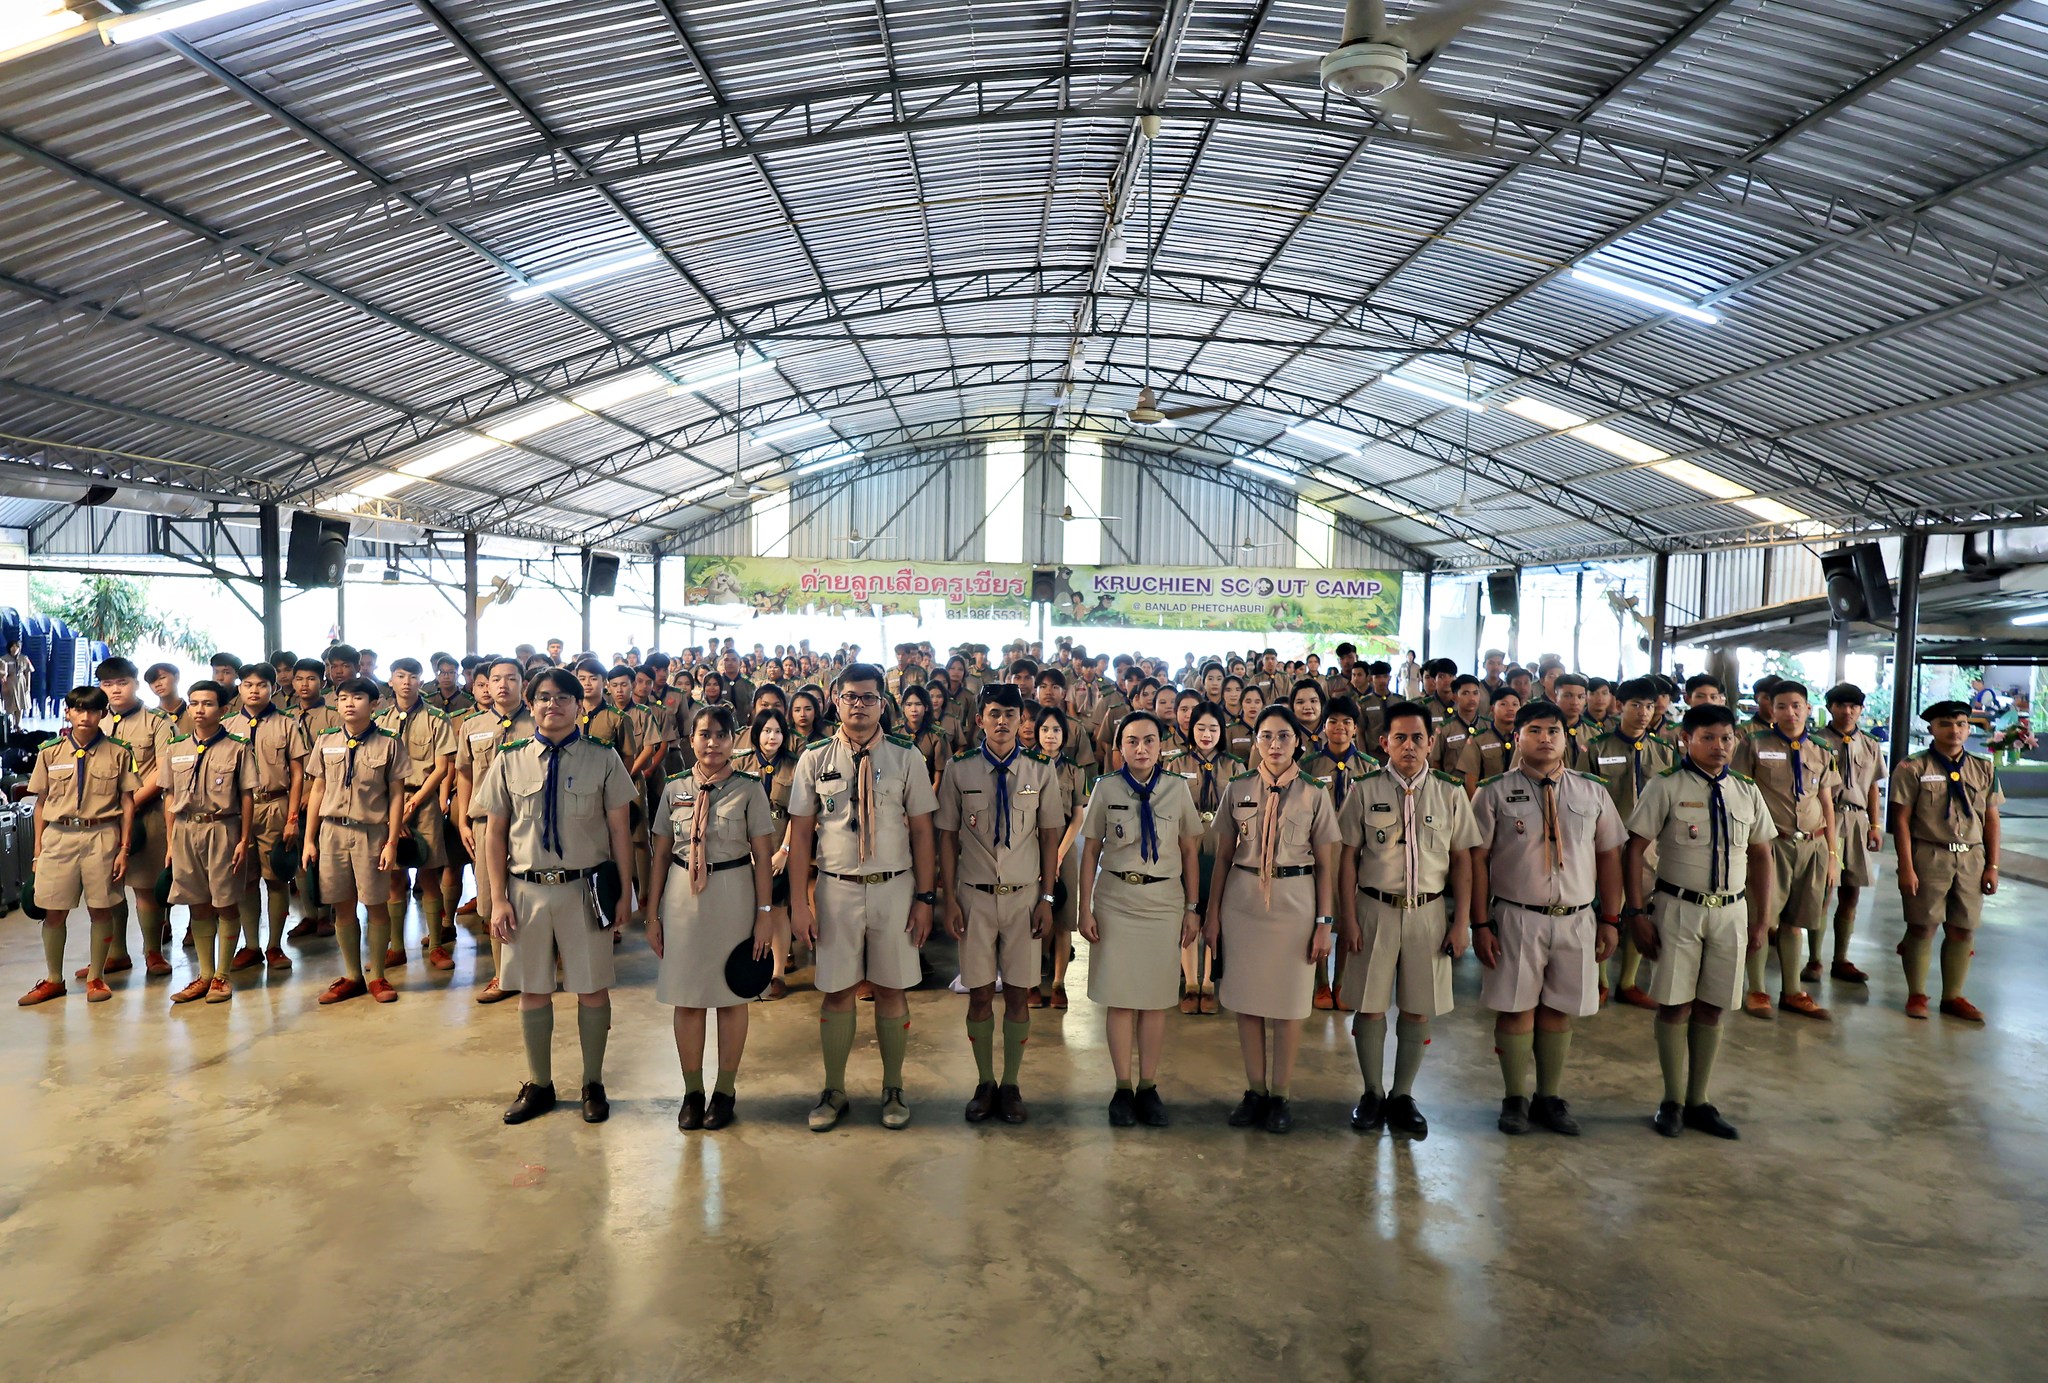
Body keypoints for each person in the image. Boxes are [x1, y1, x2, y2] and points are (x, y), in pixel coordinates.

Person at [478, 667, 636, 1124]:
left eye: (563, 697)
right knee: (532, 990)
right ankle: (540, 1084)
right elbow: (495, 835)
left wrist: (625, 892)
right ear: (531, 705)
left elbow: (620, 830)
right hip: (526, 891)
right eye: (544, 697)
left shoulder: (602, 758)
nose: (553, 705)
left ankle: (592, 1082)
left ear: (578, 704)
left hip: (584, 890)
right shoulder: (509, 759)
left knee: (591, 989)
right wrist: (499, 899)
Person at [788, 663, 939, 1132]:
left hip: (895, 887)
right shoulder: (815, 757)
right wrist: (797, 903)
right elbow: (801, 834)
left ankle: (893, 1088)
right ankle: (834, 1090)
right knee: (837, 992)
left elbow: (922, 830)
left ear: (882, 704)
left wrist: (926, 899)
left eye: (869, 698)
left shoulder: (906, 755)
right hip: (837, 890)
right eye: (851, 697)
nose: (859, 705)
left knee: (892, 989)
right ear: (836, 700)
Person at [1470, 700, 1626, 1136]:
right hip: (1517, 917)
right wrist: (1479, 923)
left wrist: (1612, 918)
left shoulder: (1591, 791)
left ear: (1566, 737)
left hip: (1577, 918)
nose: (1545, 739)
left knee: (1560, 1010)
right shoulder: (1493, 791)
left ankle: (1549, 1097)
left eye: (1553, 731)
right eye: (1534, 730)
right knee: (1515, 1009)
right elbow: (1476, 860)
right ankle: (1514, 1097)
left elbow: (1609, 855)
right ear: (1517, 737)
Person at [1623, 703, 1776, 1139]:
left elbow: (1763, 855)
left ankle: (1699, 1100)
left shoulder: (1746, 790)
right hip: (1677, 908)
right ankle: (1671, 1100)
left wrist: (1762, 921)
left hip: (1731, 911)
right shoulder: (1665, 786)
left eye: (1726, 738)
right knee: (1674, 1004)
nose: (1719, 746)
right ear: (1685, 739)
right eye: (1707, 737)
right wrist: (1635, 913)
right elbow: (1633, 850)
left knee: (1713, 1005)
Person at [1335, 701, 1479, 1139]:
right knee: (1371, 1004)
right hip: (1374, 909)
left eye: (1418, 738)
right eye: (1400, 738)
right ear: (1384, 743)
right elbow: (1346, 859)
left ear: (1431, 743)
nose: (1409, 746)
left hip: (1429, 912)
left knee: (1419, 1008)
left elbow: (1462, 861)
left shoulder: (1451, 792)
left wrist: (1462, 923)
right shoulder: (1363, 790)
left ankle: (1403, 1094)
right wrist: (1348, 921)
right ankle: (1372, 1093)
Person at [1204, 705, 1341, 1134]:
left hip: (1295, 903)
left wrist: (1325, 921)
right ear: (1255, 741)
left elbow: (1326, 865)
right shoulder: (1238, 789)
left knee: (1288, 1006)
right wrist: (1211, 917)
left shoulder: (1314, 793)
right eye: (1266, 736)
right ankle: (1255, 1090)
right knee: (1246, 1003)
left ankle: (1281, 1093)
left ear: (1298, 741)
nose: (1275, 745)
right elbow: (1223, 858)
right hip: (1243, 903)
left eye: (1283, 736)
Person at [936, 684, 1064, 1124]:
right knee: (977, 996)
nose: (1003, 722)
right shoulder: (960, 769)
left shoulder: (1040, 770)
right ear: (980, 720)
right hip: (974, 899)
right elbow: (947, 836)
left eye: (1011, 714)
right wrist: (949, 898)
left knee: (1018, 995)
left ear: (1021, 721)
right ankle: (984, 1081)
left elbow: (1050, 835)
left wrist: (1048, 897)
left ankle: (1011, 1084)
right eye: (994, 714)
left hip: (1024, 899)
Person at [647, 704, 778, 1130]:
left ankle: (724, 1091)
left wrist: (764, 915)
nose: (712, 743)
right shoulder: (673, 789)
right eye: (704, 734)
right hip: (682, 898)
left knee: (730, 996)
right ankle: (692, 1091)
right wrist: (651, 913)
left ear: (732, 740)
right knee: (687, 997)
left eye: (721, 735)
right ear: (691, 740)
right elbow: (661, 855)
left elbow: (762, 857)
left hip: (734, 894)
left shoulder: (749, 789)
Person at [1078, 710, 1205, 1126]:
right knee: (1119, 997)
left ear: (1160, 745)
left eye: (1149, 740)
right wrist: (1085, 907)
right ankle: (1122, 1087)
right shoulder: (1106, 788)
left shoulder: (1176, 789)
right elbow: (1091, 851)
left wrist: (1192, 907)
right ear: (1120, 748)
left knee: (1153, 1001)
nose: (1141, 748)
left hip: (1164, 900)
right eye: (1132, 741)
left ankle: (1148, 1086)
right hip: (1116, 898)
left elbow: (1189, 851)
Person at [18, 687, 139, 1006]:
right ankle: (54, 979)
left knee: (101, 908)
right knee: (53, 910)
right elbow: (41, 804)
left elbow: (128, 803)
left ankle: (97, 976)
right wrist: (37, 851)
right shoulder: (49, 752)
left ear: (103, 714)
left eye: (94, 711)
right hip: (59, 837)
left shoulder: (119, 752)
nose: (86, 717)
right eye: (79, 710)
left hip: (102, 836)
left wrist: (124, 848)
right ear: (68, 712)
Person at [1732, 680, 1838, 1021]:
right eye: (1781, 706)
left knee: (1797, 922)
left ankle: (1792, 991)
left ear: (1808, 708)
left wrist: (1833, 855)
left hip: (1812, 845)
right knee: (1760, 919)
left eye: (1797, 705)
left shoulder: (1822, 750)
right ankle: (1756, 990)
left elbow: (1826, 802)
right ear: (1770, 709)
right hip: (1769, 845)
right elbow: (1739, 794)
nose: (1790, 713)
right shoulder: (1753, 744)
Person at [1889, 701, 2002, 1022]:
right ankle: (1917, 995)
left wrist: (1992, 865)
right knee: (1922, 925)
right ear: (1930, 729)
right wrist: (1906, 866)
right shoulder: (1913, 767)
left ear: (1968, 728)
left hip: (1971, 856)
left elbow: (1991, 819)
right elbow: (1901, 820)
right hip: (1929, 854)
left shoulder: (1984, 767)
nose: (1954, 730)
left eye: (1961, 724)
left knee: (1963, 928)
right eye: (1945, 724)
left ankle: (1953, 996)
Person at [302, 677, 410, 1005]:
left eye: (359, 697)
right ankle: (352, 975)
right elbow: (318, 790)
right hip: (332, 831)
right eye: (344, 697)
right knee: (341, 905)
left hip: (371, 832)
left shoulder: (389, 742)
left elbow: (396, 795)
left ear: (374, 704)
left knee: (376, 903)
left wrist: (392, 840)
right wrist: (309, 839)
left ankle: (377, 974)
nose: (350, 703)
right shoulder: (326, 741)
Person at [162, 681, 256, 1005]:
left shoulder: (238, 747)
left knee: (225, 902)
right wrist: (171, 841)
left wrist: (244, 839)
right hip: (186, 829)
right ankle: (204, 974)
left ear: (223, 709)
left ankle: (222, 976)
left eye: (208, 703)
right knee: (197, 903)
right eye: (194, 703)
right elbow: (170, 796)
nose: (200, 710)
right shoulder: (175, 749)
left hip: (222, 829)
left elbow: (246, 797)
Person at [1586, 678, 1675, 1009]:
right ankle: (1599, 980)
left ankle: (1628, 982)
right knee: (1605, 910)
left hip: (1649, 847)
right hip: (1607, 844)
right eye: (1636, 705)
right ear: (1619, 706)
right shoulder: (1598, 748)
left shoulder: (1664, 752)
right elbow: (1583, 797)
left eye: (1649, 706)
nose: (1643, 713)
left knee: (1642, 910)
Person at [455, 657, 534, 1003]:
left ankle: (537, 969)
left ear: (522, 684)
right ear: (484, 685)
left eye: (510, 679)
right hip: (486, 821)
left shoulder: (538, 723)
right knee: (491, 897)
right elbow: (464, 775)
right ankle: (503, 974)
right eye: (494, 679)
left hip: (530, 821)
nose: (501, 685)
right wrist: (462, 819)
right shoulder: (471, 727)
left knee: (534, 896)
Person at [92, 657, 173, 977]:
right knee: (108, 889)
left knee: (145, 888)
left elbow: (163, 772)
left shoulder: (157, 722)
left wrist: (128, 805)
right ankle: (116, 953)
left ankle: (153, 951)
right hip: (102, 819)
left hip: (145, 815)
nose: (115, 690)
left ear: (136, 684)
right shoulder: (94, 721)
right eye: (108, 685)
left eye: (122, 683)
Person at [376, 658, 458, 970]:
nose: (407, 682)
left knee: (428, 874)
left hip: (423, 803)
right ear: (391, 680)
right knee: (395, 877)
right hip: (388, 803)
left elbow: (441, 768)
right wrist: (394, 812)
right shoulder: (380, 720)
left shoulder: (437, 718)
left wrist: (414, 803)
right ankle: (396, 947)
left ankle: (436, 945)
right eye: (400, 676)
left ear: (422, 681)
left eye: (413, 676)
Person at [225, 662, 306, 972]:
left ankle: (275, 945)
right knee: (245, 880)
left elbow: (297, 774)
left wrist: (292, 818)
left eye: (261, 685)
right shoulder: (229, 726)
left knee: (277, 879)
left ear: (273, 688)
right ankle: (251, 946)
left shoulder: (287, 724)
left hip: (276, 806)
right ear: (240, 688)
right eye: (247, 685)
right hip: (240, 811)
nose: (254, 690)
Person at [1816, 683, 1882, 986]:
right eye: (1841, 705)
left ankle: (1840, 959)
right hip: (1825, 818)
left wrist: (1875, 825)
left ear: (1861, 709)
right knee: (1822, 890)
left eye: (1854, 706)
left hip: (1856, 819)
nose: (1848, 711)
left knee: (1851, 891)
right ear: (1830, 707)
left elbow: (1872, 787)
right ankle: (1814, 959)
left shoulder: (1870, 744)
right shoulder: (1816, 741)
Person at [735, 707, 800, 1000]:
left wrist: (785, 850)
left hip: (779, 849)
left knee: (778, 910)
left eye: (777, 731)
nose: (772, 737)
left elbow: (800, 814)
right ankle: (750, 971)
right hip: (745, 849)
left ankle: (777, 975)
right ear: (756, 733)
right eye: (766, 731)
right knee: (746, 911)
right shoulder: (741, 763)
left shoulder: (795, 765)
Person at [1033, 706, 1086, 1009]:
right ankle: (1031, 980)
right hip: (1032, 845)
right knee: (1034, 915)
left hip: (1064, 847)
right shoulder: (1027, 765)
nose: (1050, 736)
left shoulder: (1075, 771)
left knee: (1063, 919)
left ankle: (1058, 983)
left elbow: (1077, 817)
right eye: (1044, 730)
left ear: (1064, 734)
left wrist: (1058, 855)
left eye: (1055, 730)